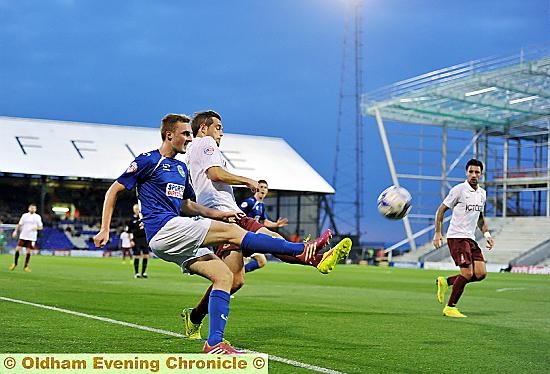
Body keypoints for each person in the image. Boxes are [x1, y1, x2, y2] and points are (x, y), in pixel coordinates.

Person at [93, 113, 347, 354]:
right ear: (169, 135)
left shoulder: (180, 170)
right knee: (233, 234)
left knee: (226, 277)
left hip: (177, 233)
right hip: (164, 229)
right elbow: (113, 190)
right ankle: (304, 250)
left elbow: (187, 205)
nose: (190, 139)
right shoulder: (149, 160)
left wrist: (218, 214)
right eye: (185, 134)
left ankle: (213, 343)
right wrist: (105, 228)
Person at [181, 110, 351, 340]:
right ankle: (316, 258)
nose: (221, 132)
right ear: (203, 128)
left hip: (228, 213)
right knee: (260, 253)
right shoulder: (206, 143)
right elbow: (215, 173)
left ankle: (194, 318)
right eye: (218, 127)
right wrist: (247, 180)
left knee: (236, 279)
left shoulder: (193, 150)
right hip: (223, 216)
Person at [433, 158, 495, 318]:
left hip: (470, 238)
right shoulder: (459, 190)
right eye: (471, 172)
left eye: (477, 172)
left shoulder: (482, 193)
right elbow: (440, 210)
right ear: (466, 173)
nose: (474, 175)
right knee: (467, 273)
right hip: (457, 237)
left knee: (480, 274)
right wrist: (438, 232)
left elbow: (480, 217)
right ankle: (450, 307)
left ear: (481, 174)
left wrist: (487, 234)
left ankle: (446, 281)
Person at [239, 179, 288, 273]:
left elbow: (265, 222)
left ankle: (238, 274)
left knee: (262, 262)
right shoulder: (249, 202)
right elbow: (237, 214)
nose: (263, 189)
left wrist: (276, 224)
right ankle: (234, 275)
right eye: (261, 187)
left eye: (265, 187)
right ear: (256, 189)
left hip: (254, 236)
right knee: (243, 261)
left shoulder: (261, 205)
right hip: (244, 236)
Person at [9, 203, 43, 272]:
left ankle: (26, 266)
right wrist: (15, 231)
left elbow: (41, 227)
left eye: (34, 208)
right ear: (29, 208)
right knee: (17, 249)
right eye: (31, 208)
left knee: (28, 252)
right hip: (23, 235)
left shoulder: (37, 217)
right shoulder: (24, 216)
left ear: (35, 209)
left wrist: (36, 228)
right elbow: (19, 224)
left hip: (31, 237)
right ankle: (15, 264)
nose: (32, 209)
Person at [128, 204, 150, 278]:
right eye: (135, 209)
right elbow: (129, 231)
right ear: (134, 210)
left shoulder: (144, 218)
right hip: (136, 239)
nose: (137, 210)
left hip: (144, 239)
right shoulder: (131, 220)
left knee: (146, 255)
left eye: (138, 209)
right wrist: (131, 240)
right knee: (137, 256)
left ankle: (143, 272)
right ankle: (136, 273)